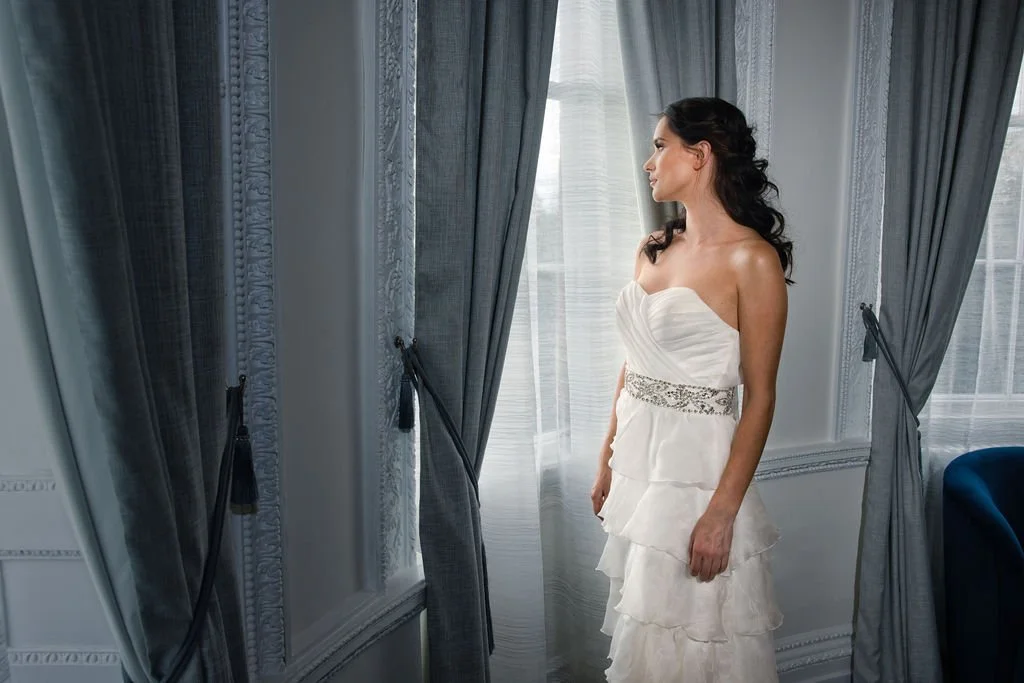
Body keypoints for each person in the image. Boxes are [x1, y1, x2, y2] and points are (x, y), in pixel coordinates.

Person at [590, 97, 791, 682]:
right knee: (649, 627)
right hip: (639, 469)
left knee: (704, 631)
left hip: (698, 474)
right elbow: (633, 367)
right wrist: (606, 459)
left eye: (660, 145)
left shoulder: (753, 262)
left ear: (700, 154)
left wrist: (722, 513)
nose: (649, 161)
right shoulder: (653, 249)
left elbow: (762, 398)